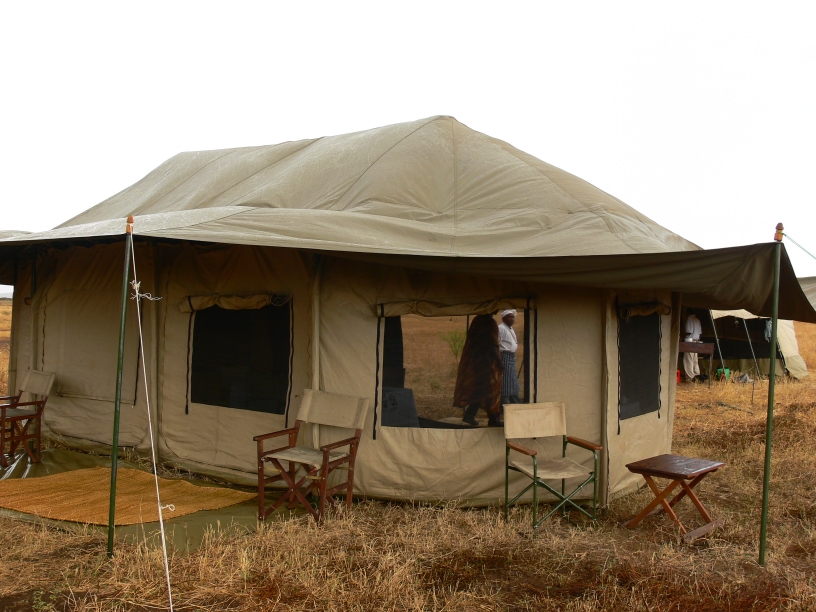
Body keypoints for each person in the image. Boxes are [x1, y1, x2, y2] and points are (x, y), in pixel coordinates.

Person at [453, 314, 504, 427]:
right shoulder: (489, 322)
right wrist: (498, 360)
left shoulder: (478, 320)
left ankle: (470, 415)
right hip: (487, 362)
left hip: (475, 361)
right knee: (492, 390)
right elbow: (491, 343)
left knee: (480, 390)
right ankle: (493, 418)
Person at [498, 309, 521, 405]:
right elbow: (497, 342)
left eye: (512, 317)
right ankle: (505, 402)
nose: (511, 319)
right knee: (506, 380)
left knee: (512, 379)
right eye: (509, 317)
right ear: (503, 318)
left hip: (511, 356)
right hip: (504, 356)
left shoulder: (509, 328)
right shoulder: (501, 328)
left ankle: (513, 400)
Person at [683, 312, 702, 381]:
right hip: (696, 341)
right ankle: (696, 374)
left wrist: (682, 336)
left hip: (690, 341)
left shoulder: (689, 319)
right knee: (695, 359)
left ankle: (690, 377)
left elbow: (689, 331)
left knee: (689, 359)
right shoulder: (697, 320)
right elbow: (700, 333)